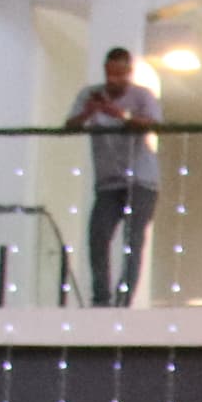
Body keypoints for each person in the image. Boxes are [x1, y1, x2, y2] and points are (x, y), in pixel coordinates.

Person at [64, 46, 160, 307]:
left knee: (133, 241)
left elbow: (152, 123)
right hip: (107, 182)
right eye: (110, 74)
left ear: (128, 73)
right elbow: (69, 126)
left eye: (120, 75)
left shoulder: (142, 96)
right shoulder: (89, 94)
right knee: (98, 236)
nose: (113, 81)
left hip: (141, 181)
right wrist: (90, 111)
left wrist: (118, 114)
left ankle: (124, 300)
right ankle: (101, 299)